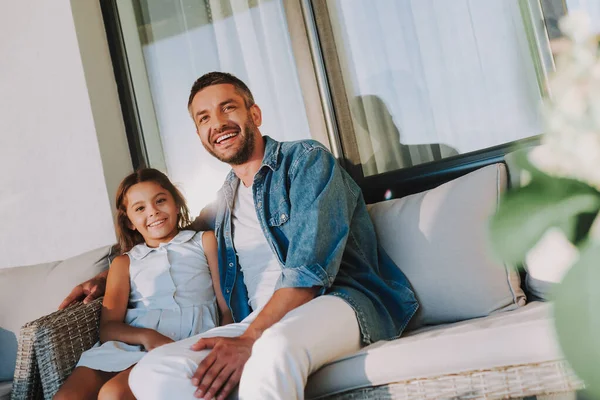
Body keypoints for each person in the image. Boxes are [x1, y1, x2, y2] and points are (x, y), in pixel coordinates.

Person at [62, 72, 418, 400]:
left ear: (255, 114)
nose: (217, 124)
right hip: (257, 318)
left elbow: (310, 273)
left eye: (227, 108)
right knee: (151, 373)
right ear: (201, 137)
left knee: (273, 349)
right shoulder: (225, 200)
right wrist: (106, 276)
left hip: (337, 302)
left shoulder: (306, 161)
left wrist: (250, 338)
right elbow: (172, 239)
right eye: (203, 119)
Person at [55, 168, 232, 400]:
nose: (153, 212)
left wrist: (225, 339)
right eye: (140, 208)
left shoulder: (203, 241)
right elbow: (108, 328)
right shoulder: (124, 263)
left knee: (113, 394)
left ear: (177, 204)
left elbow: (225, 305)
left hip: (184, 342)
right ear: (129, 221)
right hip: (132, 343)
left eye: (160, 201)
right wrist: (147, 336)